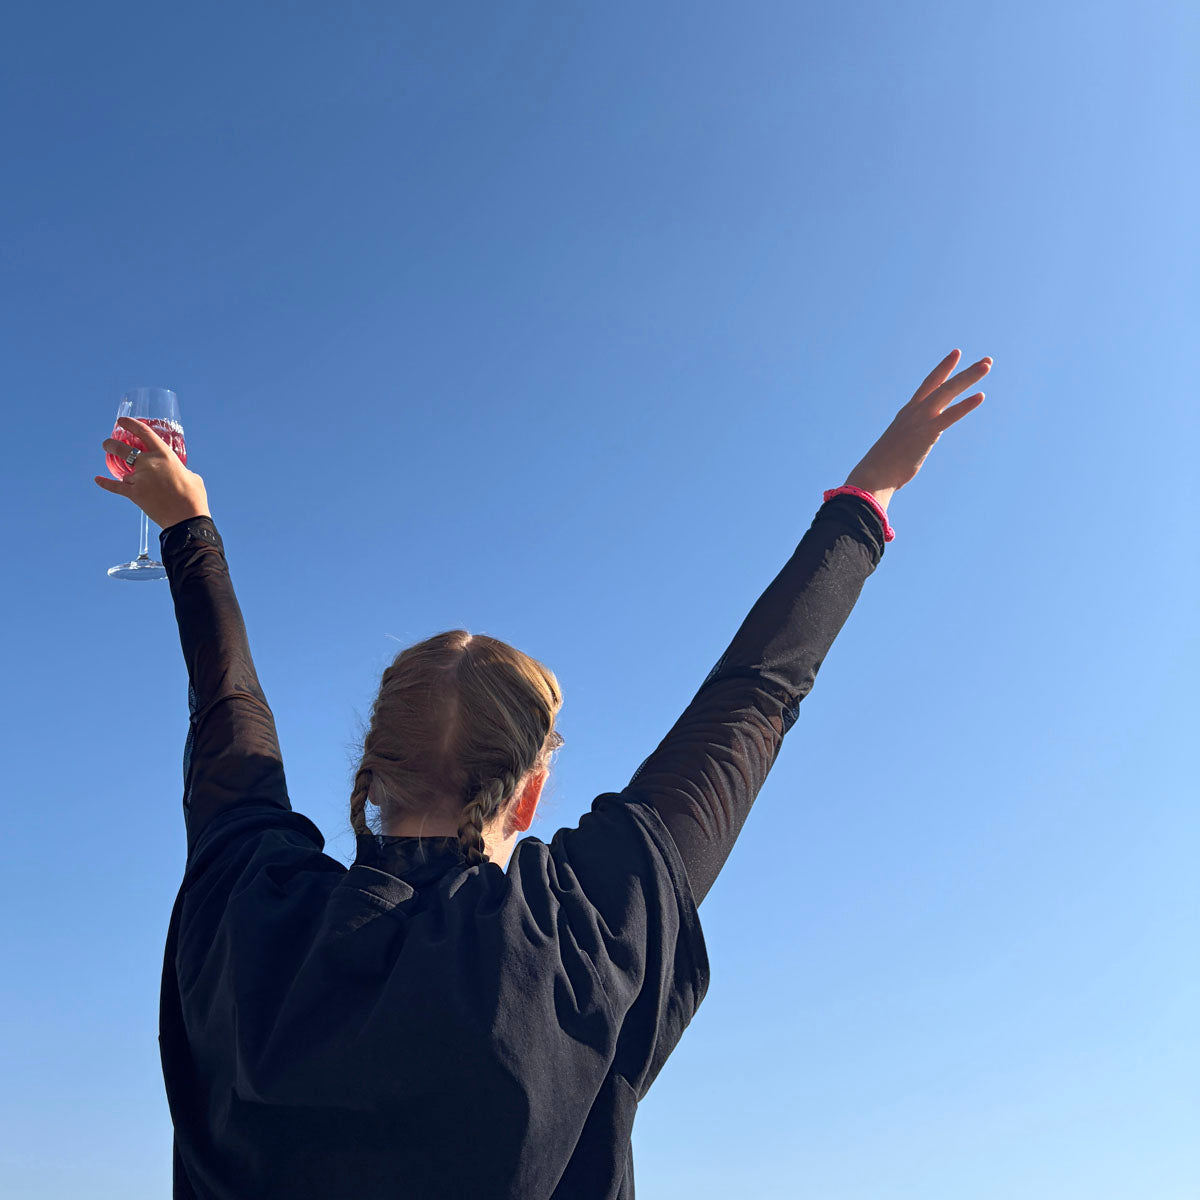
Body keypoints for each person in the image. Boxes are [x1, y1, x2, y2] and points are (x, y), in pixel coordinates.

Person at [95, 347, 992, 1199]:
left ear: (370, 773)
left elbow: (225, 705)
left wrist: (187, 528)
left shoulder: (250, 916)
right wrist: (867, 497)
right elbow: (756, 700)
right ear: (528, 791)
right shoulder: (579, 934)